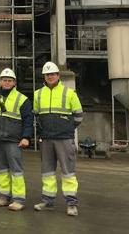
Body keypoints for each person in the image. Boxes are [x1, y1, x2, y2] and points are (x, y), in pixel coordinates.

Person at [33, 62, 84, 217]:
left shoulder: (69, 93)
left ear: (58, 76)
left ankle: (71, 204)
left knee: (68, 172)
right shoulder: (38, 94)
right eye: (47, 75)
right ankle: (48, 201)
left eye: (53, 74)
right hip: (46, 138)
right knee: (47, 172)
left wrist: (67, 129)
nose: (50, 76)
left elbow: (79, 116)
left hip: (64, 138)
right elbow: (36, 116)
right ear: (44, 77)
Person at [0, 68, 33, 211]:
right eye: (4, 80)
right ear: (0, 81)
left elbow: (28, 120)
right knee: (2, 170)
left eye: (9, 80)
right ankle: (4, 196)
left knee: (16, 170)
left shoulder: (22, 99)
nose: (6, 82)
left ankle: (18, 199)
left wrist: (26, 137)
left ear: (14, 83)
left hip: (14, 140)